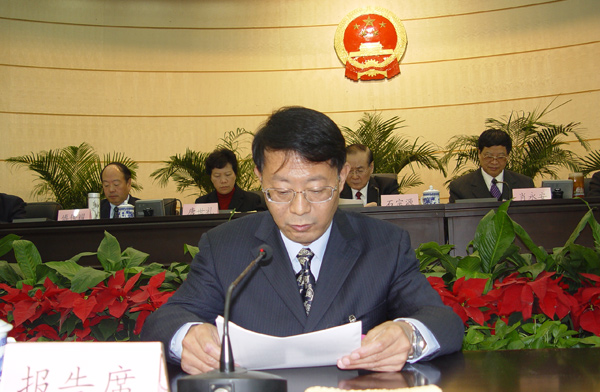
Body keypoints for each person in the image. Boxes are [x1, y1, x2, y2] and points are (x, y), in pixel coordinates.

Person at [141, 106, 463, 375]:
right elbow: (166, 321)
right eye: (281, 191)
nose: (299, 209)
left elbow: (443, 321)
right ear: (259, 177)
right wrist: (189, 336)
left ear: (341, 176)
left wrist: (408, 335)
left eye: (317, 190)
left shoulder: (384, 244)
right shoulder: (224, 246)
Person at [448, 129, 535, 203]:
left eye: (500, 157)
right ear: (479, 153)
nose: (494, 162)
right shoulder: (460, 187)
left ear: (508, 156)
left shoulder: (525, 184)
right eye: (489, 156)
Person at [195, 148, 265, 212]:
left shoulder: (252, 201)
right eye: (217, 176)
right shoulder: (201, 203)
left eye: (228, 174)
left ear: (235, 174)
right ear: (210, 178)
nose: (223, 181)